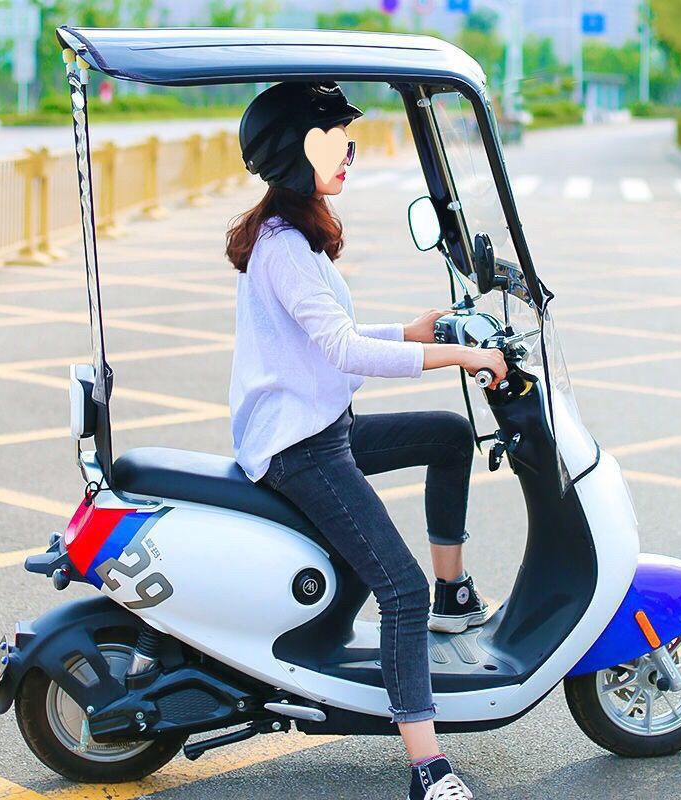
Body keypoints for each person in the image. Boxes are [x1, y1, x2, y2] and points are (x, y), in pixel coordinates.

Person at [226, 81, 507, 800]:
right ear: (294, 155)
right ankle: (428, 769)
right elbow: (345, 350)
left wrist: (409, 333)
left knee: (449, 436)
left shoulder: (291, 235)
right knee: (400, 590)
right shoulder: (285, 249)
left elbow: (332, 338)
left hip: (324, 428)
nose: (348, 153)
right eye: (333, 142)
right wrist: (455, 355)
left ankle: (455, 594)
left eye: (348, 141)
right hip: (301, 448)